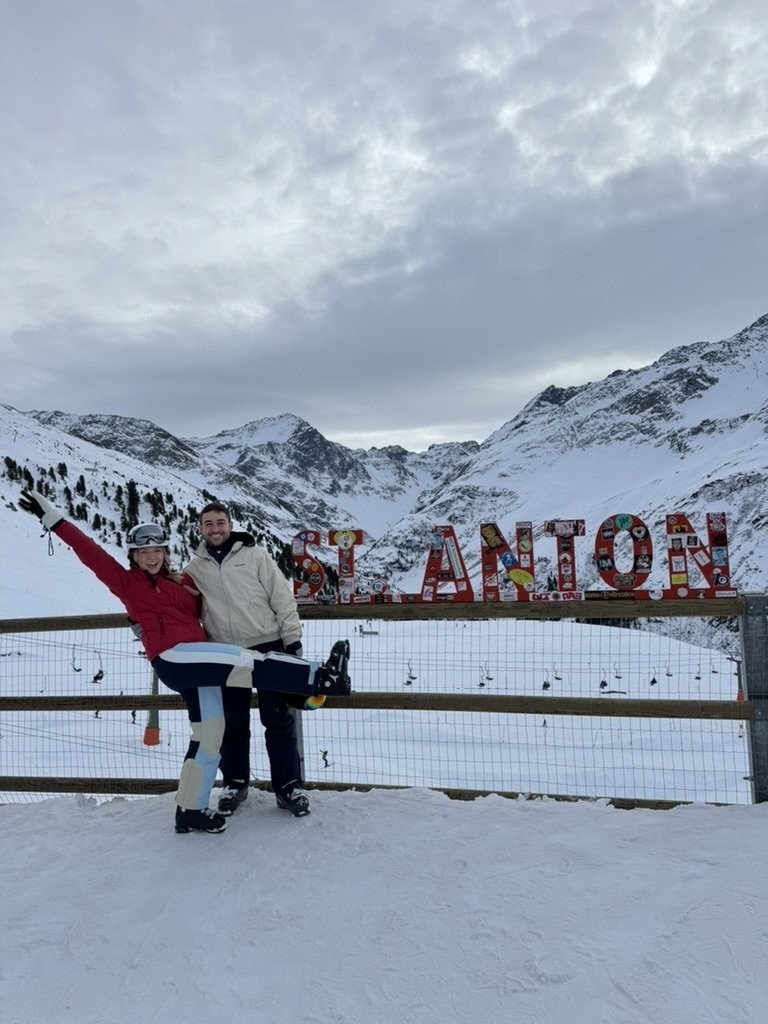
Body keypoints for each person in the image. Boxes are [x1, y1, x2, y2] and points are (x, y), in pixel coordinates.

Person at [18, 488, 350, 834]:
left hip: (205, 659)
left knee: (211, 733)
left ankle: (190, 808)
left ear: (165, 552)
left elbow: (224, 598)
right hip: (175, 656)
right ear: (133, 555)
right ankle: (320, 680)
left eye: (157, 551)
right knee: (245, 661)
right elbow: (91, 553)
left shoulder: (184, 581)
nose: (151, 557)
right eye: (143, 552)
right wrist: (53, 519)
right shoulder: (128, 583)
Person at [184, 501, 316, 817]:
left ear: (230, 525)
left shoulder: (255, 555)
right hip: (226, 653)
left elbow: (281, 597)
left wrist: (292, 639)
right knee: (233, 723)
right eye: (208, 524)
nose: (215, 529)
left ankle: (288, 787)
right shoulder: (195, 569)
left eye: (220, 522)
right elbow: (174, 601)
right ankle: (235, 783)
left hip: (268, 646)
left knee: (278, 719)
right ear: (200, 529)